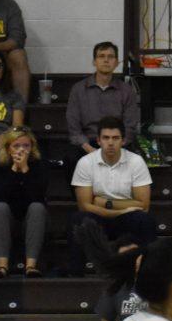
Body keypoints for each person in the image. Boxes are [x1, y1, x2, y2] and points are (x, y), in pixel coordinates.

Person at [67, 116, 157, 276]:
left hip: (126, 218)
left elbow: (143, 205)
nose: (110, 143)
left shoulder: (136, 162)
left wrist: (105, 202)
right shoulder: (85, 162)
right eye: (106, 138)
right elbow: (85, 206)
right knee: (78, 219)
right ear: (98, 140)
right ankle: (76, 276)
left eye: (115, 138)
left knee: (145, 220)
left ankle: (148, 273)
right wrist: (120, 210)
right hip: (101, 218)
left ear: (123, 141)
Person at [0, 126, 48, 277]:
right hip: (4, 219)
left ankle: (30, 266)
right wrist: (15, 170)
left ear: (32, 148)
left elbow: (38, 196)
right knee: (0, 207)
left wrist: (26, 170)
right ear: (8, 149)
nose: (21, 150)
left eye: (26, 146)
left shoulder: (38, 165)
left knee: (37, 208)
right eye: (16, 146)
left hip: (30, 219)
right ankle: (2, 266)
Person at [66, 41, 140, 155]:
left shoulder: (127, 91)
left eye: (110, 57)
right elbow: (73, 127)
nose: (106, 60)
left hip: (116, 142)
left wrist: (115, 146)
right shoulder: (78, 89)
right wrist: (90, 149)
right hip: (87, 142)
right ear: (94, 62)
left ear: (116, 63)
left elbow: (130, 126)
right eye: (101, 56)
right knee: (71, 158)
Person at [0, 52, 24, 157]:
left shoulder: (14, 96)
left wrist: (4, 137)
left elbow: (17, 126)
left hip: (6, 138)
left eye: (0, 65)